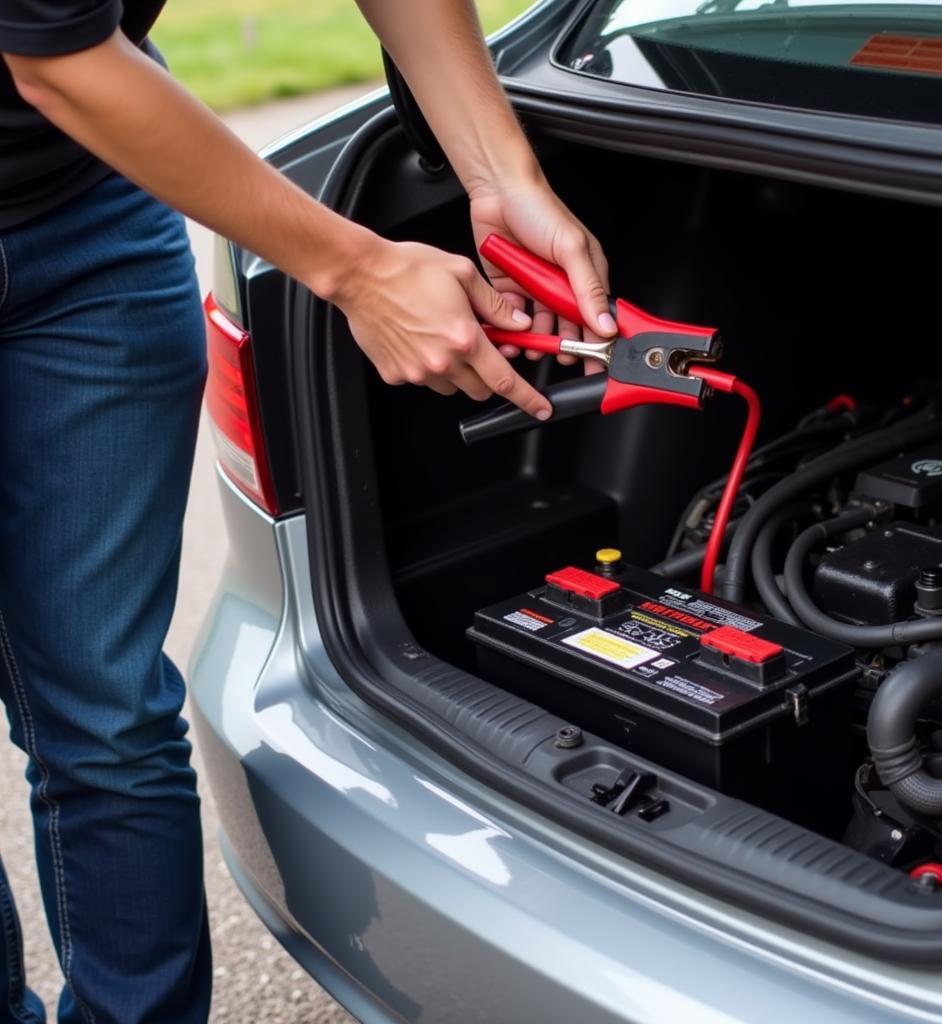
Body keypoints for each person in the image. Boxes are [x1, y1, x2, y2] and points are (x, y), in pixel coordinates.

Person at [0, 1, 613, 1021]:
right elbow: (53, 58)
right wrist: (358, 269)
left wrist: (503, 178)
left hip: (87, 207)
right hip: (71, 97)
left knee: (108, 716)